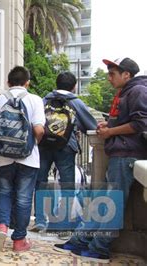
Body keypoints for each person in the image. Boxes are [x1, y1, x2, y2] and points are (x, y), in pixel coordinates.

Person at [53, 57, 147, 263]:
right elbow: (128, 120)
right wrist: (108, 125)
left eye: (112, 73)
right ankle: (81, 241)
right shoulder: (126, 92)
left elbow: (141, 123)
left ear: (127, 75)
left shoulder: (138, 91)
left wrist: (111, 131)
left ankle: (100, 249)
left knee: (112, 204)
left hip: (127, 155)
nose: (109, 77)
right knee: (103, 202)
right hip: (119, 154)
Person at [0, 66, 45, 252]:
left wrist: (5, 135)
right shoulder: (35, 100)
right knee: (24, 198)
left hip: (3, 157)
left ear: (8, 82)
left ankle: (1, 227)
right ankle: (19, 240)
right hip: (28, 158)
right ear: (27, 82)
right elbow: (39, 130)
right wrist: (31, 142)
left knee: (3, 193)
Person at [31, 71, 97, 232]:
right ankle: (63, 223)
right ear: (74, 87)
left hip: (44, 146)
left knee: (40, 182)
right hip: (66, 147)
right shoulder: (76, 103)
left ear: (57, 84)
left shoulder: (44, 100)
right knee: (67, 186)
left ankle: (40, 220)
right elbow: (92, 126)